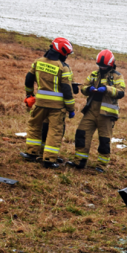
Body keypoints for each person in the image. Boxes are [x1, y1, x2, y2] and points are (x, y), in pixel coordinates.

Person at [68, 50, 126, 172]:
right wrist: (89, 89)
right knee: (81, 133)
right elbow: (83, 87)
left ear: (110, 64)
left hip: (107, 113)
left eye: (104, 66)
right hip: (91, 110)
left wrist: (106, 89)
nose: (101, 68)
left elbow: (120, 92)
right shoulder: (94, 74)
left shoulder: (117, 76)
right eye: (100, 65)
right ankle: (79, 161)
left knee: (104, 140)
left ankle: (101, 166)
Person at [22, 37, 75, 168]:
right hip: (57, 107)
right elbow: (67, 90)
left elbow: (29, 79)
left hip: (39, 103)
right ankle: (49, 159)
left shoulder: (38, 62)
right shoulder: (63, 68)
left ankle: (31, 153)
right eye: (66, 54)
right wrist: (71, 108)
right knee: (54, 131)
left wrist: (29, 94)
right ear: (62, 53)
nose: (67, 57)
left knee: (34, 126)